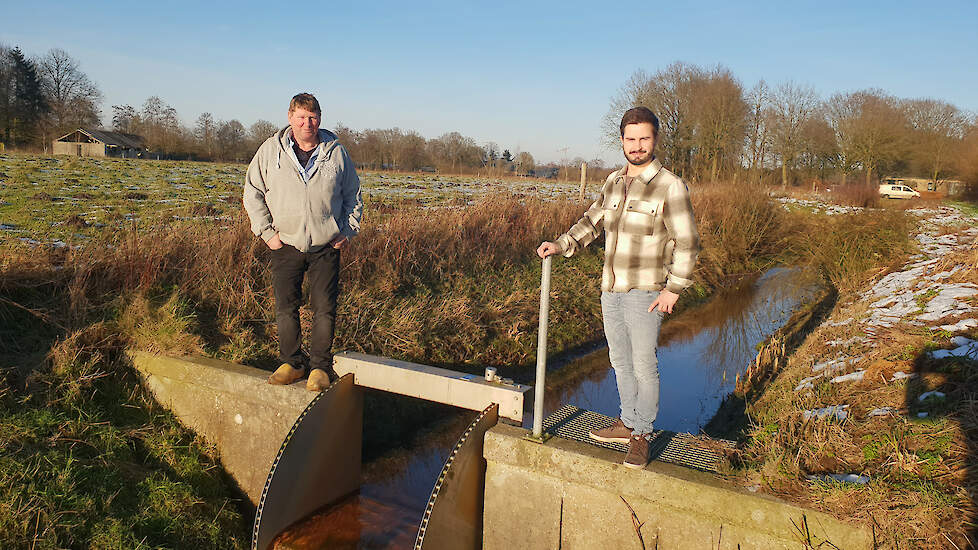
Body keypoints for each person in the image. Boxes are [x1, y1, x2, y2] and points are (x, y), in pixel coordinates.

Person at [536, 107, 700, 468]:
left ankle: (642, 434)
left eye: (644, 138)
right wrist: (561, 245)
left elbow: (687, 242)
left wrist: (673, 289)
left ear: (655, 139)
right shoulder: (613, 182)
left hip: (646, 291)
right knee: (619, 361)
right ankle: (627, 422)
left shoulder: (670, 186)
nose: (637, 145)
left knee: (643, 364)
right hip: (611, 289)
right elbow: (592, 222)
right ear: (622, 140)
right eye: (631, 138)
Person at [243, 93, 363, 391]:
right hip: (285, 244)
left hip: (326, 246)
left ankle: (319, 368)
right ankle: (292, 363)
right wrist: (268, 234)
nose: (307, 123)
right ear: (290, 117)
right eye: (301, 117)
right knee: (286, 307)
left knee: (324, 309)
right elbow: (252, 192)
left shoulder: (336, 152)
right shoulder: (271, 151)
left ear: (319, 119)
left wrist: (346, 232)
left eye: (312, 117)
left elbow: (353, 196)